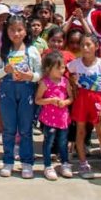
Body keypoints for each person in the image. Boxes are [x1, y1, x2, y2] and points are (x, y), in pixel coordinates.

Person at [0, 14, 41, 179]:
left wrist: (31, 76)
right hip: (7, 91)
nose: (16, 34)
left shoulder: (32, 51)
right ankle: (8, 161)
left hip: (26, 90)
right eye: (12, 30)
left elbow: (40, 74)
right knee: (9, 129)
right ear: (7, 32)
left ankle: (27, 163)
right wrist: (5, 70)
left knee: (26, 129)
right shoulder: (3, 51)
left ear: (25, 31)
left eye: (19, 30)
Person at [68, 32, 101, 182]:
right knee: (81, 132)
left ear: (96, 46)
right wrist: (73, 83)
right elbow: (69, 77)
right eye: (82, 45)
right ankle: (83, 164)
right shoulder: (75, 64)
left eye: (88, 44)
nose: (85, 48)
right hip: (81, 101)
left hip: (97, 101)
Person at [35, 50, 73, 180]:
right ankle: (48, 166)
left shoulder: (65, 81)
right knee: (48, 142)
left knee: (63, 142)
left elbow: (71, 98)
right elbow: (37, 100)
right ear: (48, 69)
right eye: (58, 68)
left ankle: (65, 163)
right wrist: (50, 100)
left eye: (63, 67)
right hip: (49, 119)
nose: (62, 70)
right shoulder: (45, 83)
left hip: (63, 118)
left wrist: (65, 102)